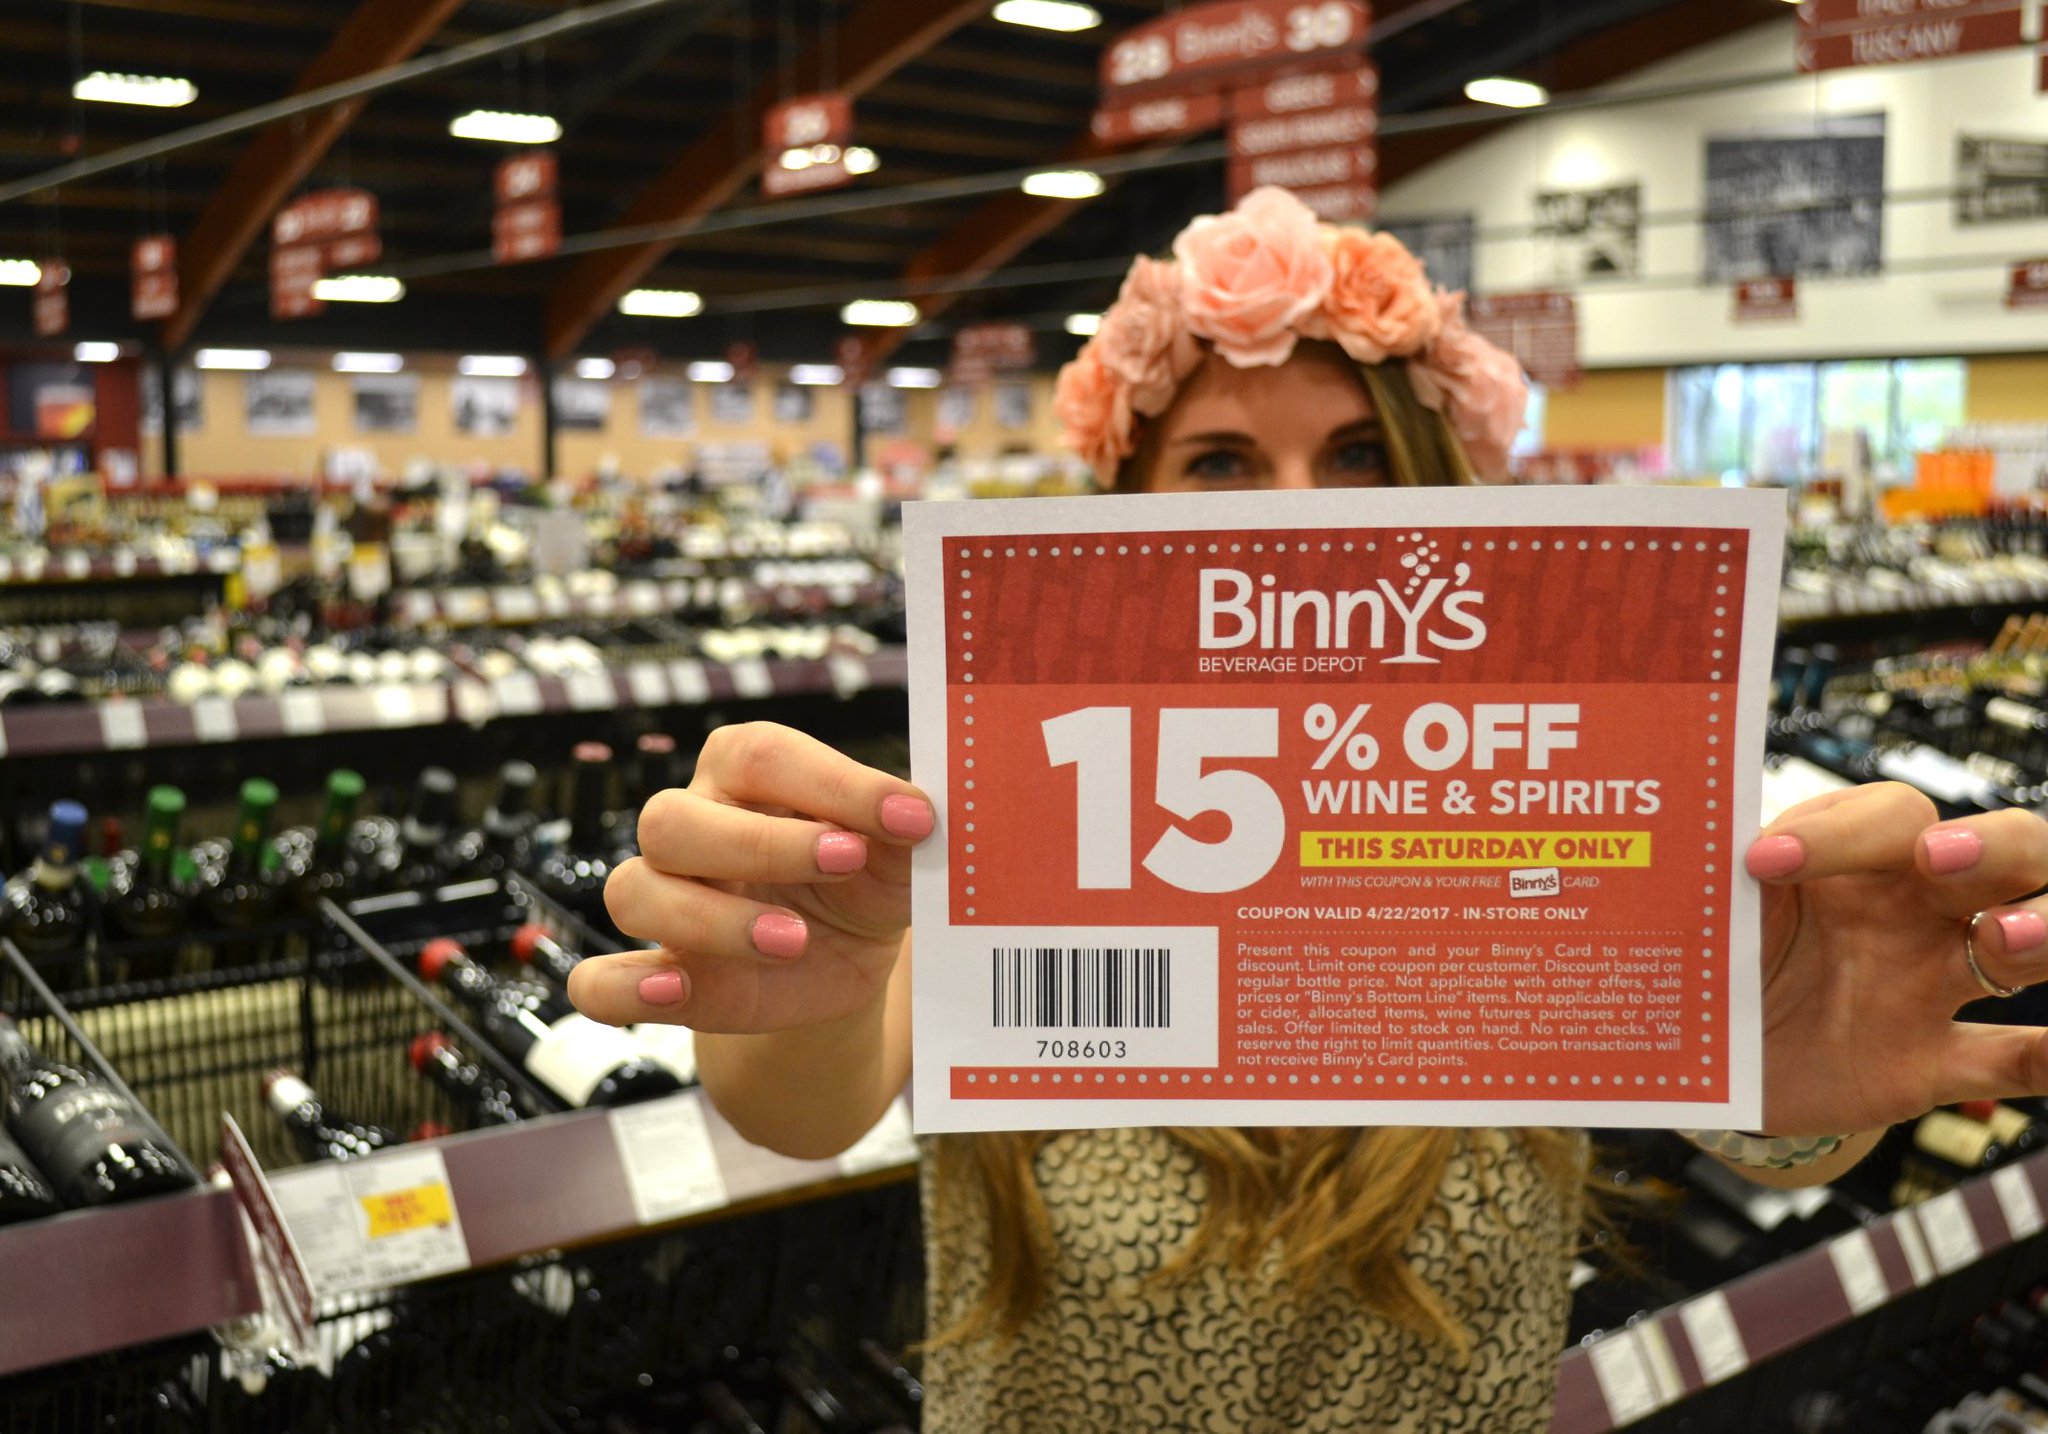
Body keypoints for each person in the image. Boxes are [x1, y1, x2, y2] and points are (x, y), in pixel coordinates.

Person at [567, 188, 2048, 1431]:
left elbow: (1774, 1112)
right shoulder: (1014, 793)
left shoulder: (1537, 806)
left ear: (1435, 485)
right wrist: (796, 974)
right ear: (1128, 507)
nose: (1299, 509)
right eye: (1221, 461)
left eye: (1356, 456)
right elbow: (805, 1105)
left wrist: (1784, 1080)